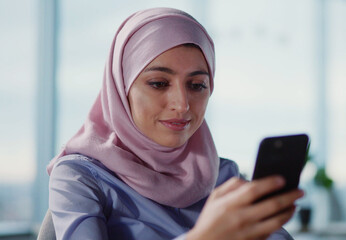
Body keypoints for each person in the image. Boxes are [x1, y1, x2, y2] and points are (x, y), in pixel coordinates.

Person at [47, 7, 304, 240]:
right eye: (159, 83)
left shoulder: (223, 176)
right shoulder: (79, 177)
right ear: (121, 89)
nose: (182, 104)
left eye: (196, 85)